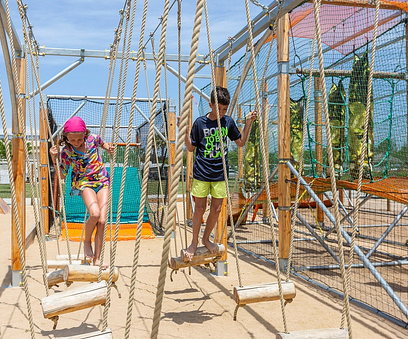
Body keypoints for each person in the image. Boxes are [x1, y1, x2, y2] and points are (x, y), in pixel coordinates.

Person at [181, 86, 257, 261]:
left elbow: (241, 142)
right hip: (201, 173)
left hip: (220, 174)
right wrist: (185, 134)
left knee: (216, 209)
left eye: (225, 109)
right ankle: (193, 243)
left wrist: (248, 122)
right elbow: (191, 148)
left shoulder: (227, 122)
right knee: (200, 208)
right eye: (219, 108)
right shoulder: (200, 123)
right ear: (210, 105)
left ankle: (206, 239)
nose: (222, 112)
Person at [49, 116, 114, 268]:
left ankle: (97, 259)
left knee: (103, 221)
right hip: (84, 182)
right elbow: (63, 174)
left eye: (79, 139)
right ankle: (86, 242)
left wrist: (108, 148)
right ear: (66, 138)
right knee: (95, 214)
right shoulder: (66, 151)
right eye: (73, 140)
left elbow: (102, 143)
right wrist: (54, 158)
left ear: (85, 134)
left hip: (102, 179)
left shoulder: (93, 139)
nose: (77, 142)